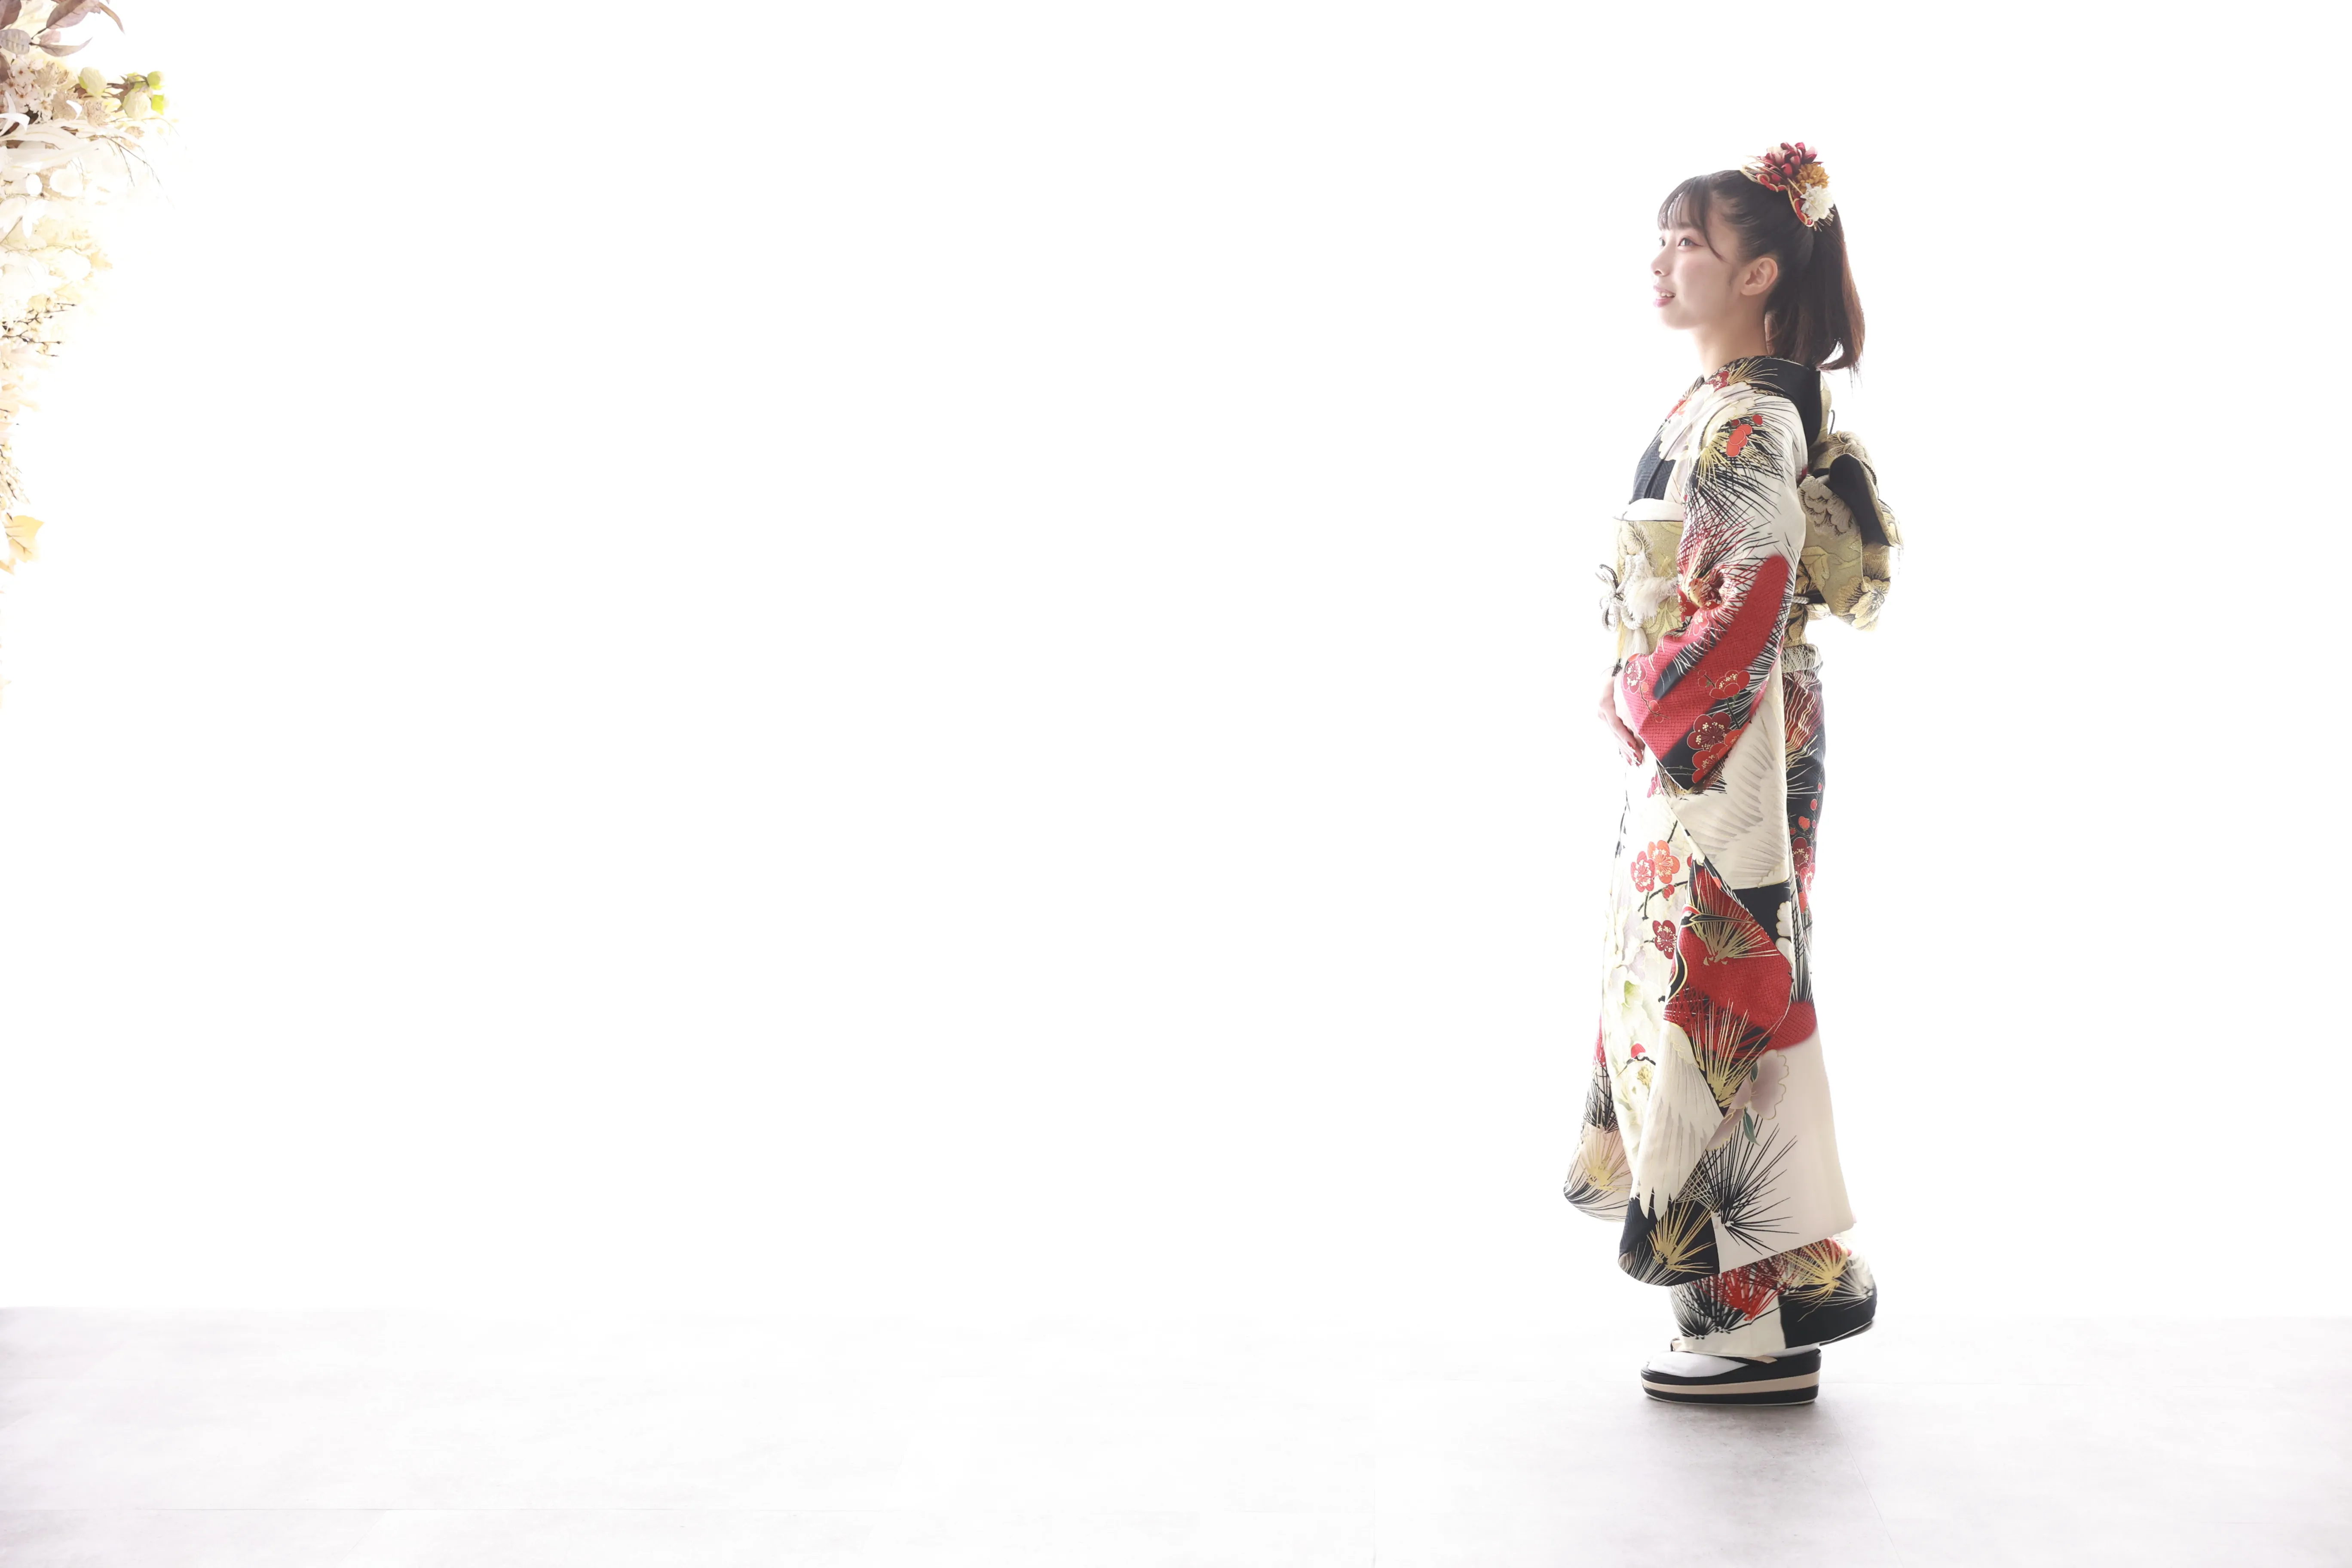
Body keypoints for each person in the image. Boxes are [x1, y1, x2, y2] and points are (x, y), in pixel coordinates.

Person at [1564, 142, 1901, 1407]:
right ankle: (1780, 1291)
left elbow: (1748, 599)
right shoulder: (1723, 407)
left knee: (1718, 993)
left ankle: (1747, 1322)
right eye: (1662, 238)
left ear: (1758, 274)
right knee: (1715, 991)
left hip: (1732, 741)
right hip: (1717, 738)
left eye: (1689, 243)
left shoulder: (1752, 418)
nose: (1662, 262)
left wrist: (1641, 696)